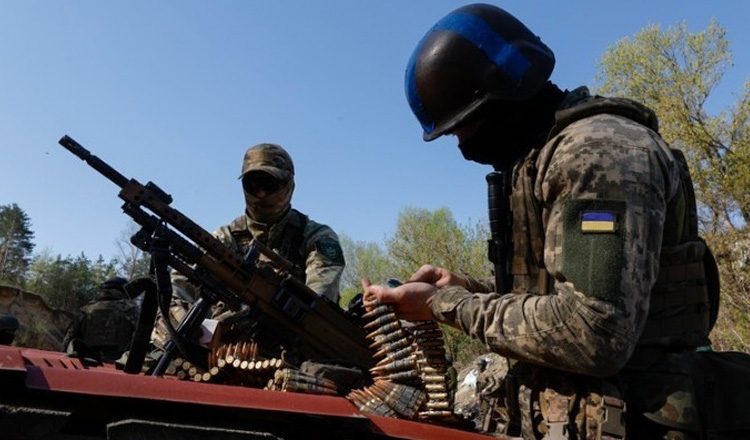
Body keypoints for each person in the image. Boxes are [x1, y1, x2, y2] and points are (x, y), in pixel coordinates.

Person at [362, 4, 734, 439]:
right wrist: (465, 288)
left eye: (463, 126)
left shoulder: (597, 154)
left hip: (639, 421)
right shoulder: (547, 157)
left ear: (501, 99)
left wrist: (444, 305)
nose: (461, 144)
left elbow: (592, 331)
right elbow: (556, 295)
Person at [171, 142, 345, 305]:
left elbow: (318, 305)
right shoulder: (224, 240)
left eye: (269, 184)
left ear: (289, 185)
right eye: (252, 185)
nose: (261, 194)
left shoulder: (315, 237)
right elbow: (179, 288)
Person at [64, 277, 140, 363]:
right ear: (124, 291)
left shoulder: (86, 310)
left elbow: (68, 341)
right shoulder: (130, 309)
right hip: (120, 365)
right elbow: (143, 337)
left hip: (88, 363)